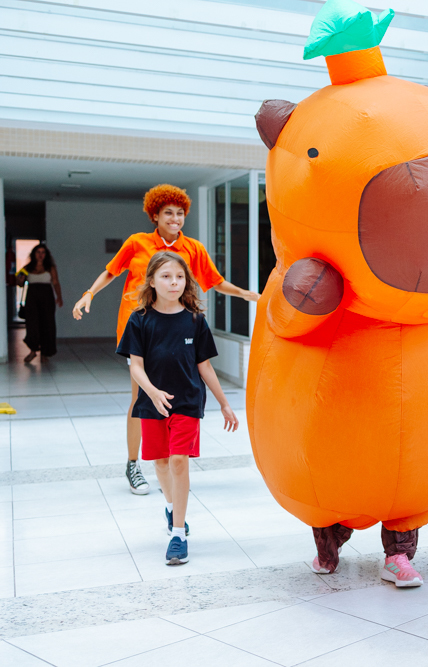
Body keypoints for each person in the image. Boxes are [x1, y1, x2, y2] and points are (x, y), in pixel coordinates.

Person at [71, 184, 258, 495]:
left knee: (177, 397)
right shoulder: (137, 243)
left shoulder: (193, 249)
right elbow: (111, 272)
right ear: (154, 215)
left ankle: (170, 461)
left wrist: (246, 294)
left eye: (180, 213)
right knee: (142, 400)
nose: (175, 218)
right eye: (168, 213)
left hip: (179, 332)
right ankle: (134, 464)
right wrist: (88, 293)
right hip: (142, 334)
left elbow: (215, 281)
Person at [117, 251, 239, 565]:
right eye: (166, 277)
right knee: (159, 463)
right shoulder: (140, 319)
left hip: (187, 401)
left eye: (180, 277)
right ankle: (172, 505)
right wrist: (153, 392)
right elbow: (136, 367)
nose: (174, 283)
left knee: (179, 460)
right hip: (151, 402)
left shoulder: (195, 320)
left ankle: (178, 533)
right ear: (152, 282)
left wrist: (225, 404)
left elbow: (205, 367)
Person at [16, 244, 62, 362]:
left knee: (47, 324)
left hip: (47, 298)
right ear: (34, 254)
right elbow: (19, 283)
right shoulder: (27, 268)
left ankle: (45, 353)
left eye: (43, 252)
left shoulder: (50, 267)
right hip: (32, 299)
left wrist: (59, 297)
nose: (40, 255)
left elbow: (56, 283)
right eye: (38, 252)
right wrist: (20, 280)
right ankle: (33, 351)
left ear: (46, 255)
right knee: (32, 325)